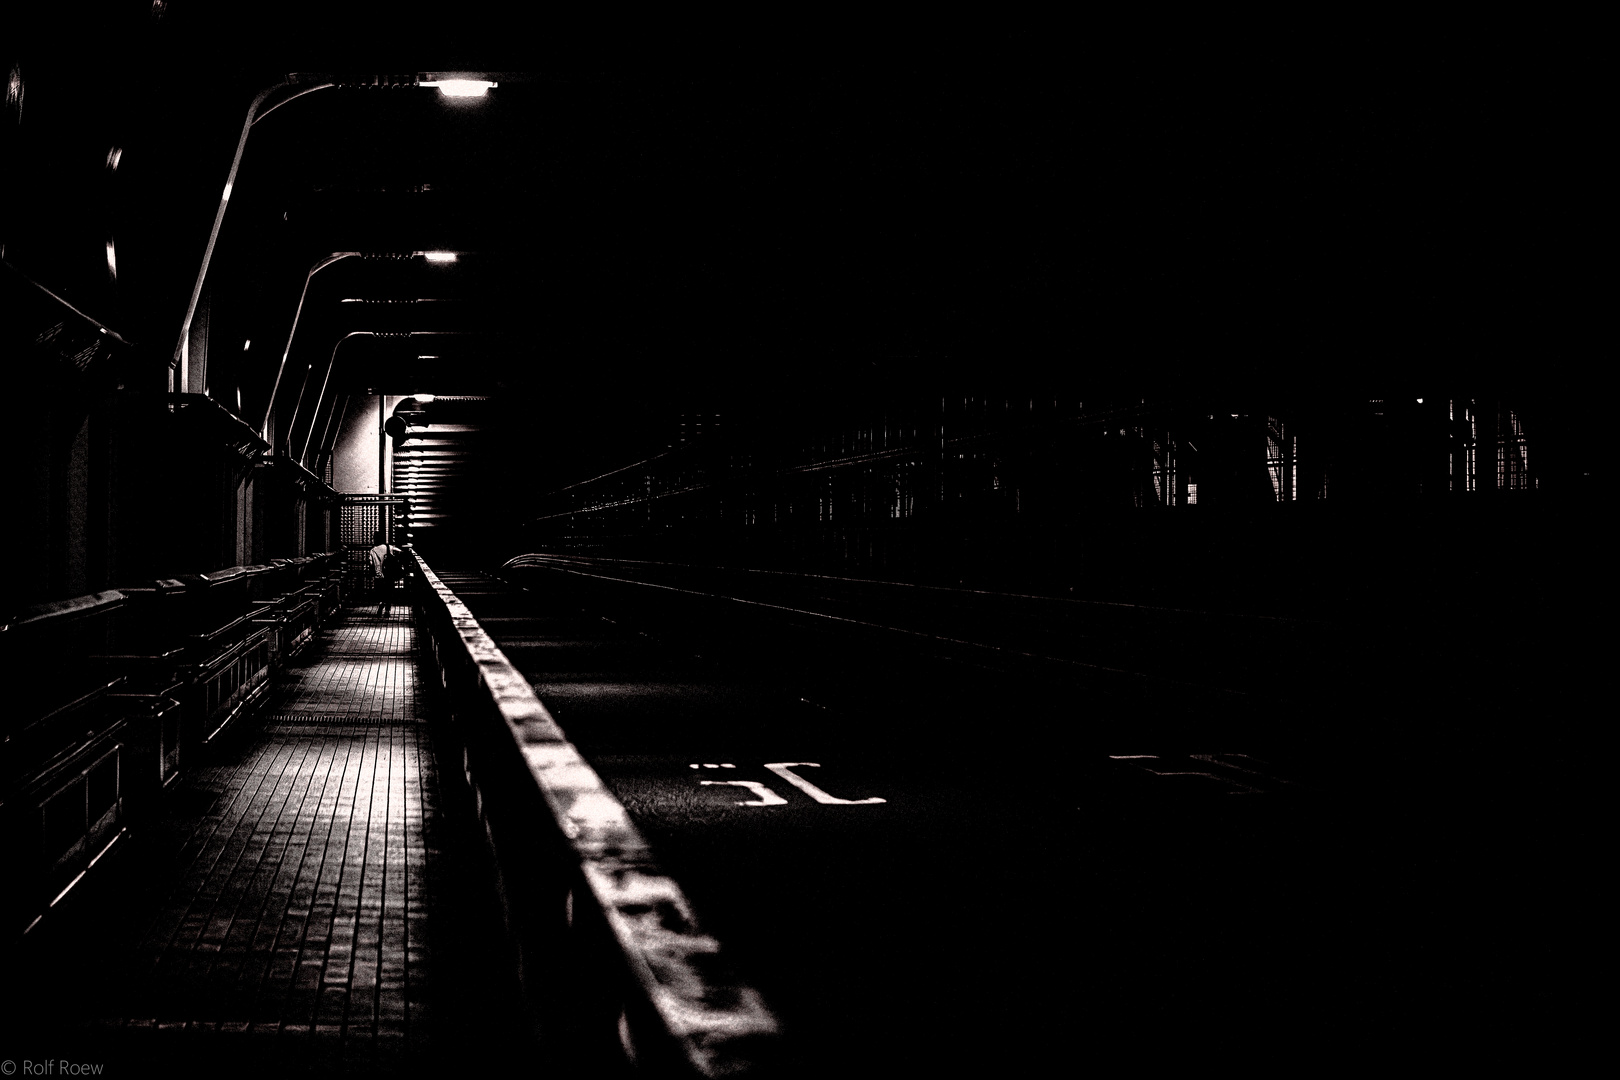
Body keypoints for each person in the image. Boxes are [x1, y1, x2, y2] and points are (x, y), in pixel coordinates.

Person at [367, 531, 403, 610]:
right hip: (389, 574)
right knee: (389, 591)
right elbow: (400, 552)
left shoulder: (373, 550)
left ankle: (381, 603)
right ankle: (387, 609)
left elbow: (371, 563)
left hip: (379, 574)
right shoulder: (389, 547)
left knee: (380, 591)